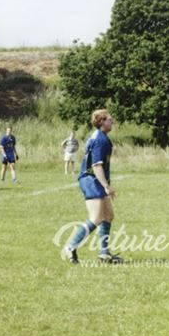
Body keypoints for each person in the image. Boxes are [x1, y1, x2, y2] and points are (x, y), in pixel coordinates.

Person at [62, 109, 122, 264]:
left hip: (96, 180)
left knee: (108, 215)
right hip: (91, 180)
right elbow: (96, 166)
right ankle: (70, 246)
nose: (112, 121)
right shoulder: (99, 139)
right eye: (109, 119)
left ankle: (104, 253)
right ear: (101, 121)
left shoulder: (102, 137)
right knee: (96, 218)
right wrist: (106, 186)